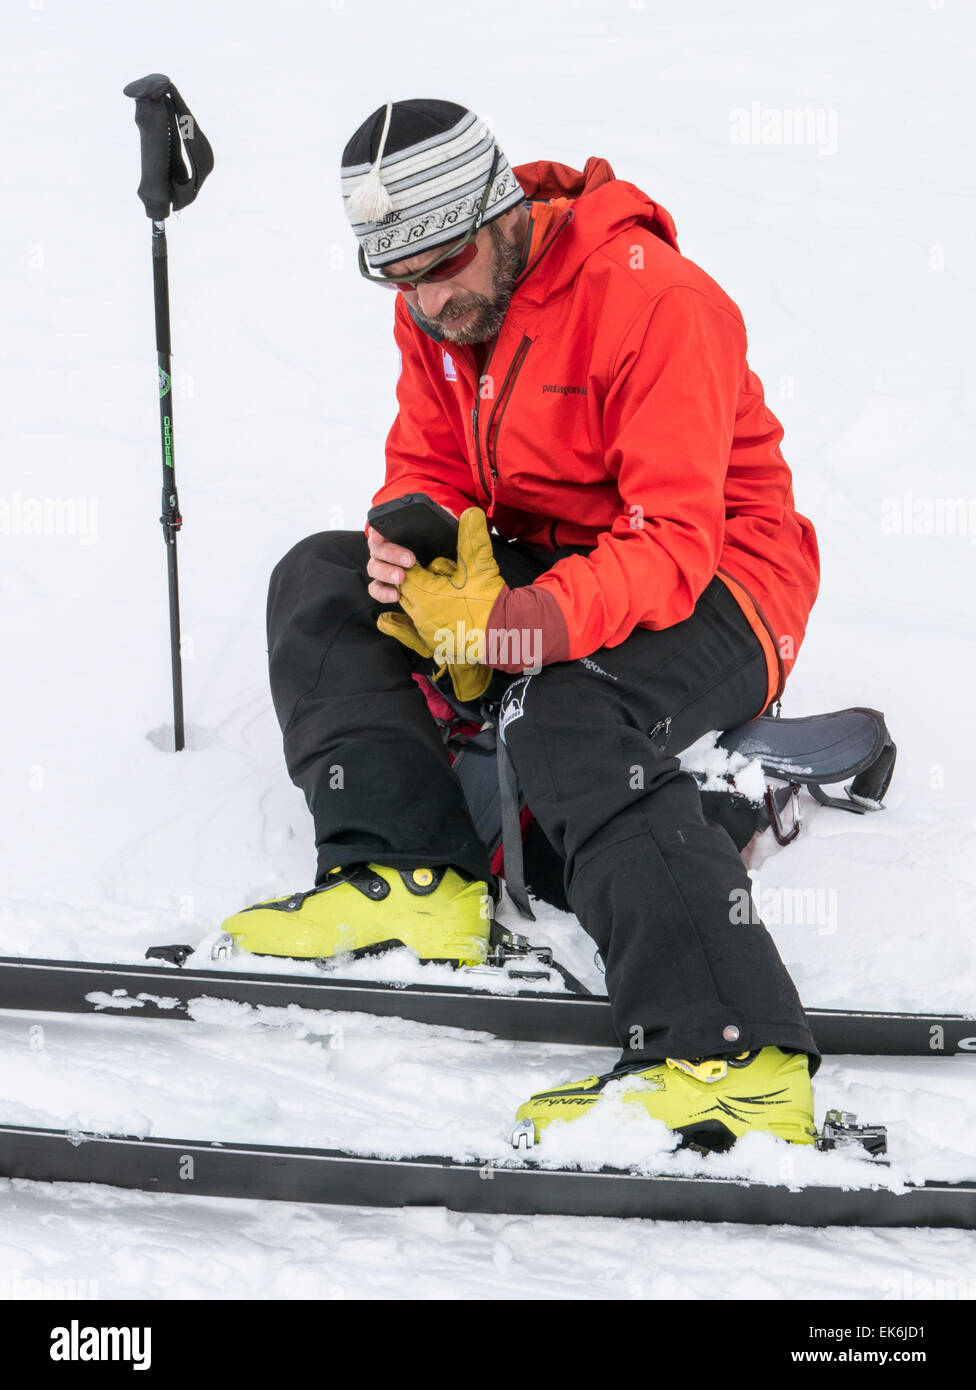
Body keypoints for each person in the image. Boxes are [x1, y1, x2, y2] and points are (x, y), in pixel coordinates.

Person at [221, 99, 822, 1153]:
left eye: (444, 262)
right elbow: (430, 464)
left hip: (727, 582)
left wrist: (515, 628)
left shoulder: (654, 303)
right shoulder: (437, 305)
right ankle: (411, 876)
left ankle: (727, 1057)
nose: (426, 297)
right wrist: (422, 556)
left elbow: (673, 540)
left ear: (501, 210)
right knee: (320, 582)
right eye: (399, 277)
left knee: (566, 716)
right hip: (552, 568)